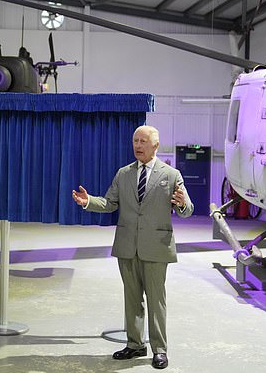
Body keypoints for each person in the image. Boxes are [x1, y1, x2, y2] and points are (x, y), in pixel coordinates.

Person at [72, 125, 193, 369]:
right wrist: (88, 202)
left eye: (143, 141)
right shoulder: (123, 174)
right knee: (132, 298)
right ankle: (135, 345)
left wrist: (181, 205)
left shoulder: (171, 175)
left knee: (156, 301)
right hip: (127, 246)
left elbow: (187, 209)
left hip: (156, 247)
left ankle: (159, 349)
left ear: (155, 146)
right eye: (135, 141)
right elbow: (109, 202)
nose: (138, 145)